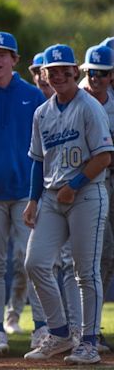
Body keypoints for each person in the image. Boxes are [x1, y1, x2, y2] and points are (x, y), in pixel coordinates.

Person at [23, 44, 113, 365]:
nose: (58, 75)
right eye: (52, 70)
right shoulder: (42, 112)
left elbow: (104, 156)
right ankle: (60, 333)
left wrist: (74, 186)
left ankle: (88, 341)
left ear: (76, 71)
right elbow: (37, 160)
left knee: (85, 271)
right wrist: (33, 200)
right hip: (51, 195)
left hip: (86, 193)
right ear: (43, 74)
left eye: (65, 69)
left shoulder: (89, 107)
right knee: (35, 263)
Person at [0, 32, 47, 352]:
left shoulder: (32, 95)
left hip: (24, 192)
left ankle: (43, 328)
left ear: (15, 60)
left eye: (3, 53)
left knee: (29, 261)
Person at [79, 44, 114, 354]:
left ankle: (90, 328)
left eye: (103, 73)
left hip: (108, 183)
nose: (97, 79)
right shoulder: (73, 99)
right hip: (80, 186)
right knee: (91, 259)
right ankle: (84, 329)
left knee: (104, 258)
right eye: (92, 72)